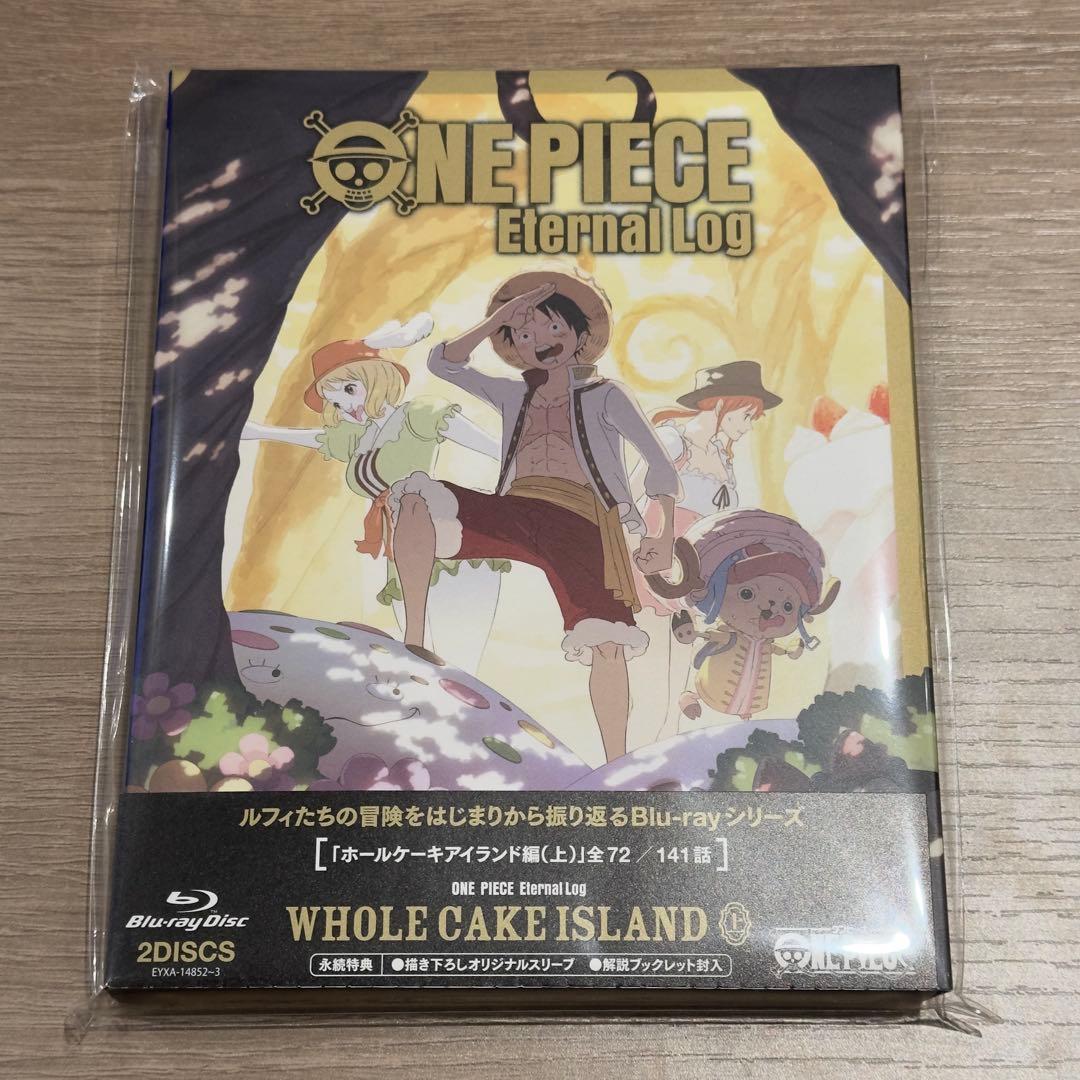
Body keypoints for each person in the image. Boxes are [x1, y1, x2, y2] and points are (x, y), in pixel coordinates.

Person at [388, 269, 680, 762]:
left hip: (582, 521)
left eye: (552, 328)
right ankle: (413, 643)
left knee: (608, 641)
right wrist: (498, 319)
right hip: (516, 509)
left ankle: (615, 763)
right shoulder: (512, 393)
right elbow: (443, 364)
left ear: (580, 337)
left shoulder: (606, 394)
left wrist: (664, 534)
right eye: (523, 334)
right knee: (415, 499)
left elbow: (659, 464)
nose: (538, 340)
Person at [240, 315, 504, 672]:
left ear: (377, 378)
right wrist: (258, 432)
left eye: (350, 390)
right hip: (398, 544)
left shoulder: (419, 414)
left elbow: (497, 449)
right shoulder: (357, 437)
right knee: (419, 659)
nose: (346, 406)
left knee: (459, 654)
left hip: (447, 543)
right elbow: (315, 438)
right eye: (335, 402)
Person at [629, 361, 782, 745]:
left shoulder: (723, 457)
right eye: (746, 415)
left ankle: (664, 752)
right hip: (654, 567)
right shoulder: (672, 440)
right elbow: (629, 500)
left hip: (698, 576)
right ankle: (638, 757)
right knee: (650, 677)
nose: (748, 426)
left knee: (679, 678)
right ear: (720, 404)